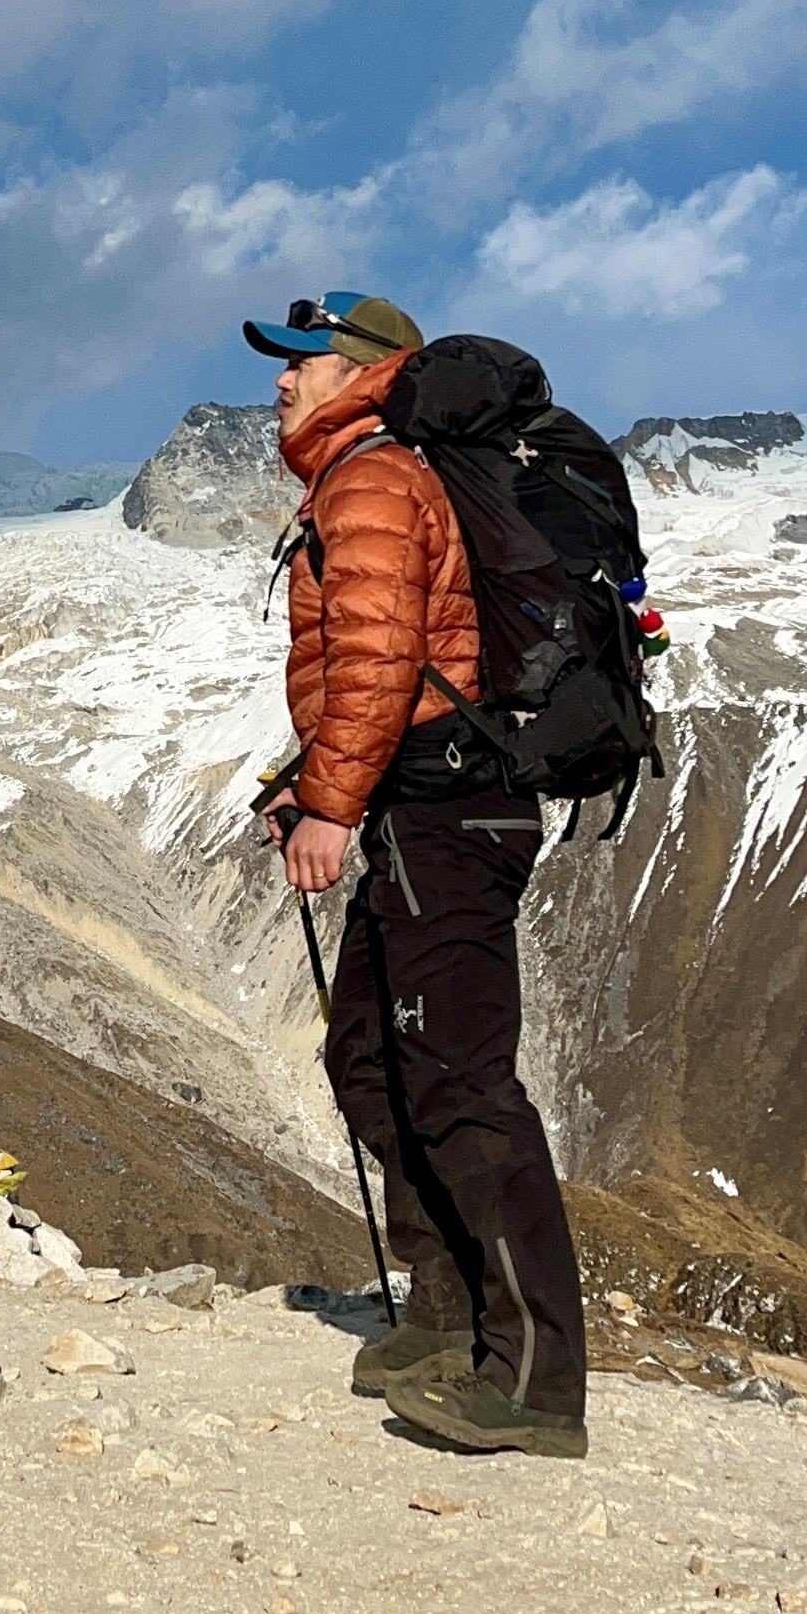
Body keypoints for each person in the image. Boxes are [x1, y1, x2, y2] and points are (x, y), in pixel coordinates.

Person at [245, 289, 589, 1459]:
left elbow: (385, 658)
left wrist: (327, 805)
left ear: (363, 370)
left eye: (302, 360)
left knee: (461, 1087)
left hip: (444, 815)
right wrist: (320, 779)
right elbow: (377, 665)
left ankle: (534, 1379)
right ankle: (447, 1318)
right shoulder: (362, 475)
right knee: (373, 1064)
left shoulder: (376, 480)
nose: (282, 380)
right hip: (423, 809)